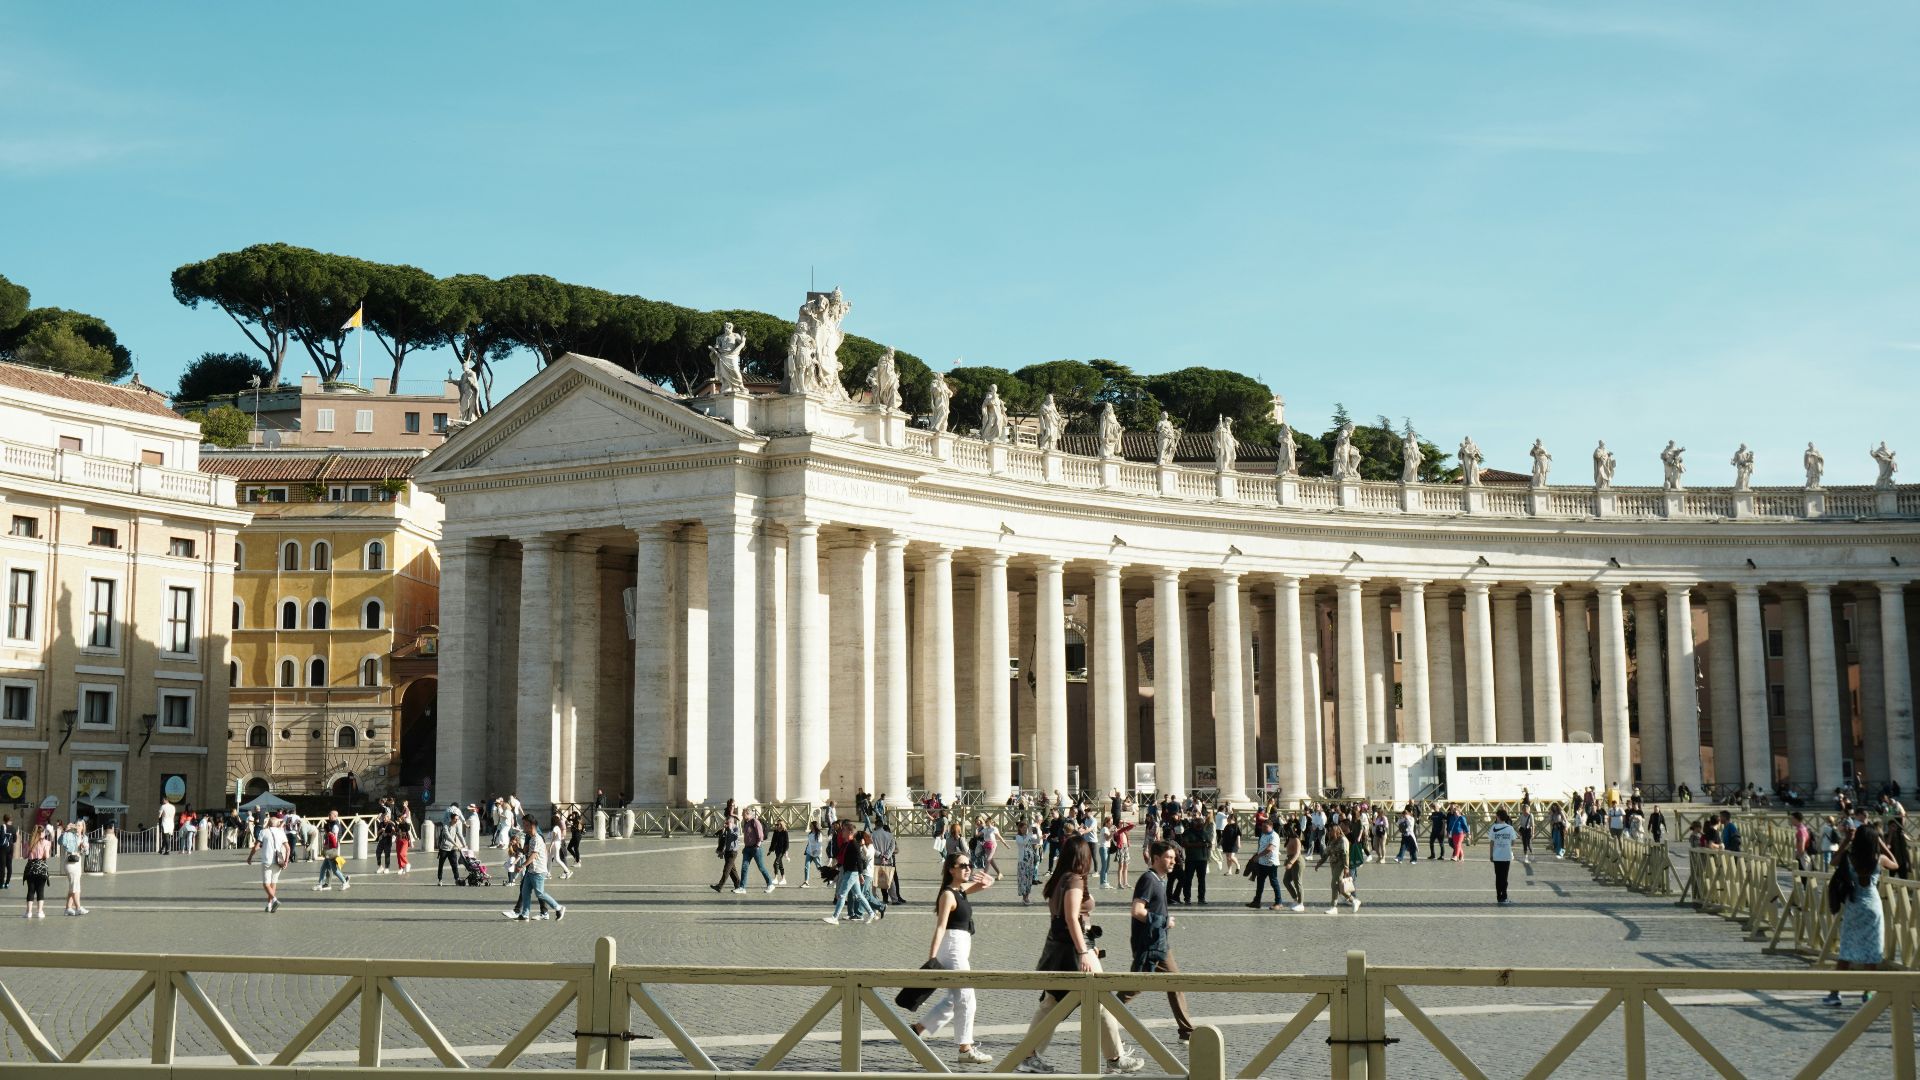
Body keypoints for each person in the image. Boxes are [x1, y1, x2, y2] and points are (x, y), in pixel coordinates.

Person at [1013, 835, 1146, 1074]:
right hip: (1075, 948)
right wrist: (1083, 950)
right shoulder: (1074, 880)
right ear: (1084, 857)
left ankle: (1028, 1055)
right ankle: (1115, 1058)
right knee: (1102, 1000)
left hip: (1060, 947)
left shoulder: (1059, 879)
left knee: (1051, 1003)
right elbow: (1071, 918)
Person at [912, 849, 996, 1064]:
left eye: (969, 865)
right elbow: (940, 927)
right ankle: (965, 1049)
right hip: (952, 947)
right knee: (966, 997)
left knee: (953, 999)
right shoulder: (948, 894)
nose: (968, 868)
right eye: (963, 866)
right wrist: (931, 959)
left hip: (961, 946)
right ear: (951, 870)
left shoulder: (960, 890)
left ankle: (916, 1030)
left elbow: (982, 885)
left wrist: (990, 880)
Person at [1122, 839, 1197, 1043]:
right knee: (1134, 986)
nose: (1173, 861)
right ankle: (1102, 1014)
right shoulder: (1149, 879)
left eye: (1174, 857)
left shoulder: (1160, 879)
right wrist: (1164, 921)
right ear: (1156, 858)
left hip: (1159, 943)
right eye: (1169, 857)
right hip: (1149, 944)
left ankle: (1187, 1031)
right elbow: (1137, 911)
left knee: (1175, 982)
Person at [1825, 824, 1897, 1006]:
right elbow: (1895, 863)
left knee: (1846, 949)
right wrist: (1881, 843)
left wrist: (1846, 841)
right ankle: (1867, 992)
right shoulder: (1878, 859)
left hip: (1854, 905)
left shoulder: (1849, 858)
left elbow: (1832, 862)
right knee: (1872, 950)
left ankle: (1834, 993)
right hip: (1873, 905)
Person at [503, 816, 566, 922]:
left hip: (538, 871)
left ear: (532, 826)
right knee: (525, 892)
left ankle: (558, 908)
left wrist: (522, 865)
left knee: (539, 893)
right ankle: (525, 914)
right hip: (531, 870)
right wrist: (516, 848)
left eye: (525, 824)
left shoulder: (537, 839)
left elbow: (533, 855)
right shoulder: (531, 838)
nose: (523, 826)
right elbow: (525, 852)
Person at [248, 810, 290, 913]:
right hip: (278, 860)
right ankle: (269, 905)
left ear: (268, 823)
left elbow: (256, 847)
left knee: (266, 884)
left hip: (267, 860)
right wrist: (286, 861)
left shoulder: (264, 832)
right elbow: (288, 848)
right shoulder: (281, 832)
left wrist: (250, 857)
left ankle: (274, 900)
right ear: (277, 824)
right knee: (273, 883)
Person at [1246, 818, 1283, 908]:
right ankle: (1257, 901)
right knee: (1260, 883)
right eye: (1262, 827)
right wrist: (1256, 856)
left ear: (1271, 827)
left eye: (1265, 827)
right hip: (1262, 863)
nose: (1263, 828)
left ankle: (1278, 902)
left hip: (1271, 863)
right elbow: (1261, 847)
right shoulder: (1263, 834)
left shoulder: (1274, 836)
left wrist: (1258, 856)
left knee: (1274, 882)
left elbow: (1269, 849)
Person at [738, 807, 776, 894]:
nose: (742, 815)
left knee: (761, 867)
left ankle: (770, 884)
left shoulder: (755, 821)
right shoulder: (746, 823)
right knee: (744, 867)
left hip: (755, 848)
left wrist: (757, 845)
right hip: (747, 848)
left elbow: (760, 835)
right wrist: (745, 847)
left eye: (743, 814)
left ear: (747, 814)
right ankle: (742, 887)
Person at [1487, 809, 1518, 904]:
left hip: (1496, 856)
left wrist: (1491, 855)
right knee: (1504, 877)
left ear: (1498, 817)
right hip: (1506, 855)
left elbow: (1491, 843)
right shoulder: (1510, 828)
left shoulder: (1493, 827)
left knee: (1498, 877)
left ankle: (1499, 896)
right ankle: (1504, 896)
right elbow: (1513, 842)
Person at [21, 825, 51, 918]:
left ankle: (28, 912)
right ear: (40, 833)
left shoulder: (28, 843)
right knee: (40, 890)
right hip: (41, 868)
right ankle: (40, 911)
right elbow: (47, 856)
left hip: (30, 868)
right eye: (43, 832)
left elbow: (24, 856)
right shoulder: (46, 842)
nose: (44, 833)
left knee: (30, 890)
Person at [59, 822, 88, 915]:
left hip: (78, 861)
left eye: (79, 825)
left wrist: (84, 847)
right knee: (74, 886)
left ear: (83, 827)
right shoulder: (70, 834)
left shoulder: (84, 837)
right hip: (70, 861)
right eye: (76, 825)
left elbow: (86, 852)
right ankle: (78, 907)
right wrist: (66, 831)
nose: (77, 827)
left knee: (74, 885)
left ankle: (68, 908)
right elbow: (61, 842)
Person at [315, 812, 350, 891]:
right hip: (330, 850)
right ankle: (320, 884)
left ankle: (344, 881)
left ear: (335, 816)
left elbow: (334, 840)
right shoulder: (332, 824)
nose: (329, 816)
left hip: (332, 850)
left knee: (334, 870)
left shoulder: (335, 826)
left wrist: (328, 836)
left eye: (330, 815)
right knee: (323, 868)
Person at [711, 814, 743, 894]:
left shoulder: (736, 828)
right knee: (732, 871)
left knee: (726, 869)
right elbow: (722, 841)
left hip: (733, 852)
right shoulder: (725, 829)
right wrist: (720, 851)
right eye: (725, 822)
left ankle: (719, 886)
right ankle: (738, 885)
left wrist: (730, 829)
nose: (726, 824)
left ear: (731, 822)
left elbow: (736, 836)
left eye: (727, 823)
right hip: (727, 852)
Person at [1280, 820, 1307, 911]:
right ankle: (1296, 899)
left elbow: (1297, 853)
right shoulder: (1289, 838)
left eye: (1286, 830)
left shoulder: (1296, 839)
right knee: (1286, 881)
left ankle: (1301, 904)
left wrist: (1290, 863)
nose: (1284, 832)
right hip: (1290, 860)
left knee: (1297, 882)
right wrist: (1287, 861)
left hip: (1297, 862)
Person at [436, 811, 463, 884]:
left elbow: (460, 835)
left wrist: (465, 844)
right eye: (456, 819)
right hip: (444, 848)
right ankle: (440, 880)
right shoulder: (445, 826)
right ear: (452, 819)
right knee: (441, 865)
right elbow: (448, 837)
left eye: (458, 819)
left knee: (454, 865)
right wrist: (456, 845)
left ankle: (457, 879)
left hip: (452, 849)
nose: (457, 820)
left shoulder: (456, 826)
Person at [800, 821, 824, 888]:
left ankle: (829, 878)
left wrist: (815, 851)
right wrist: (808, 850)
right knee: (806, 867)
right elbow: (809, 843)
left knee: (819, 868)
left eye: (811, 825)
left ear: (814, 826)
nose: (810, 826)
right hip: (809, 852)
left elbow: (819, 844)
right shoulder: (810, 834)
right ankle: (806, 882)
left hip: (816, 853)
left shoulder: (819, 834)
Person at [770, 819, 791, 886]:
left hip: (782, 851)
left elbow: (787, 843)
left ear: (781, 825)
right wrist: (770, 850)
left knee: (775, 863)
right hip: (777, 850)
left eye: (778, 824)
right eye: (776, 824)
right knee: (780, 865)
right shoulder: (776, 832)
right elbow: (773, 841)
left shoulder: (785, 832)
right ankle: (783, 879)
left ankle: (776, 879)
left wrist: (786, 851)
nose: (777, 825)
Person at [0, 813, 15, 890]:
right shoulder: (13, 828)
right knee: (9, 866)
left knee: (2, 866)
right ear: (10, 819)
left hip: (3, 848)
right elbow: (15, 839)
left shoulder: (2, 826)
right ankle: (7, 883)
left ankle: (1, 883)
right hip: (10, 848)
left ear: (4, 819)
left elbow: (1, 837)